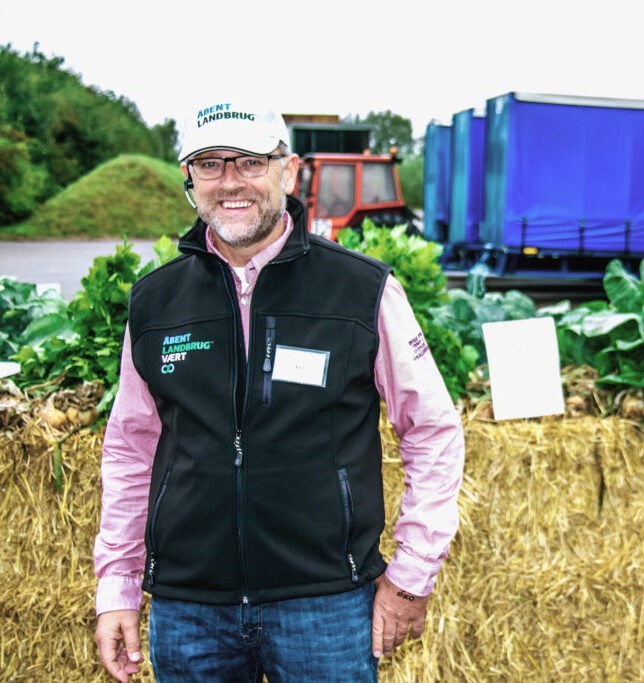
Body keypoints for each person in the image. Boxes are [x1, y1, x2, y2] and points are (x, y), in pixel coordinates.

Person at [92, 99, 465, 681]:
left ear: (286, 172)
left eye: (248, 162)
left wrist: (413, 575)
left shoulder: (361, 290)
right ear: (189, 180)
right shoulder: (155, 301)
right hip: (189, 610)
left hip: (325, 606)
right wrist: (117, 585)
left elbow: (433, 431)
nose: (230, 182)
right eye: (210, 164)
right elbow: (130, 449)